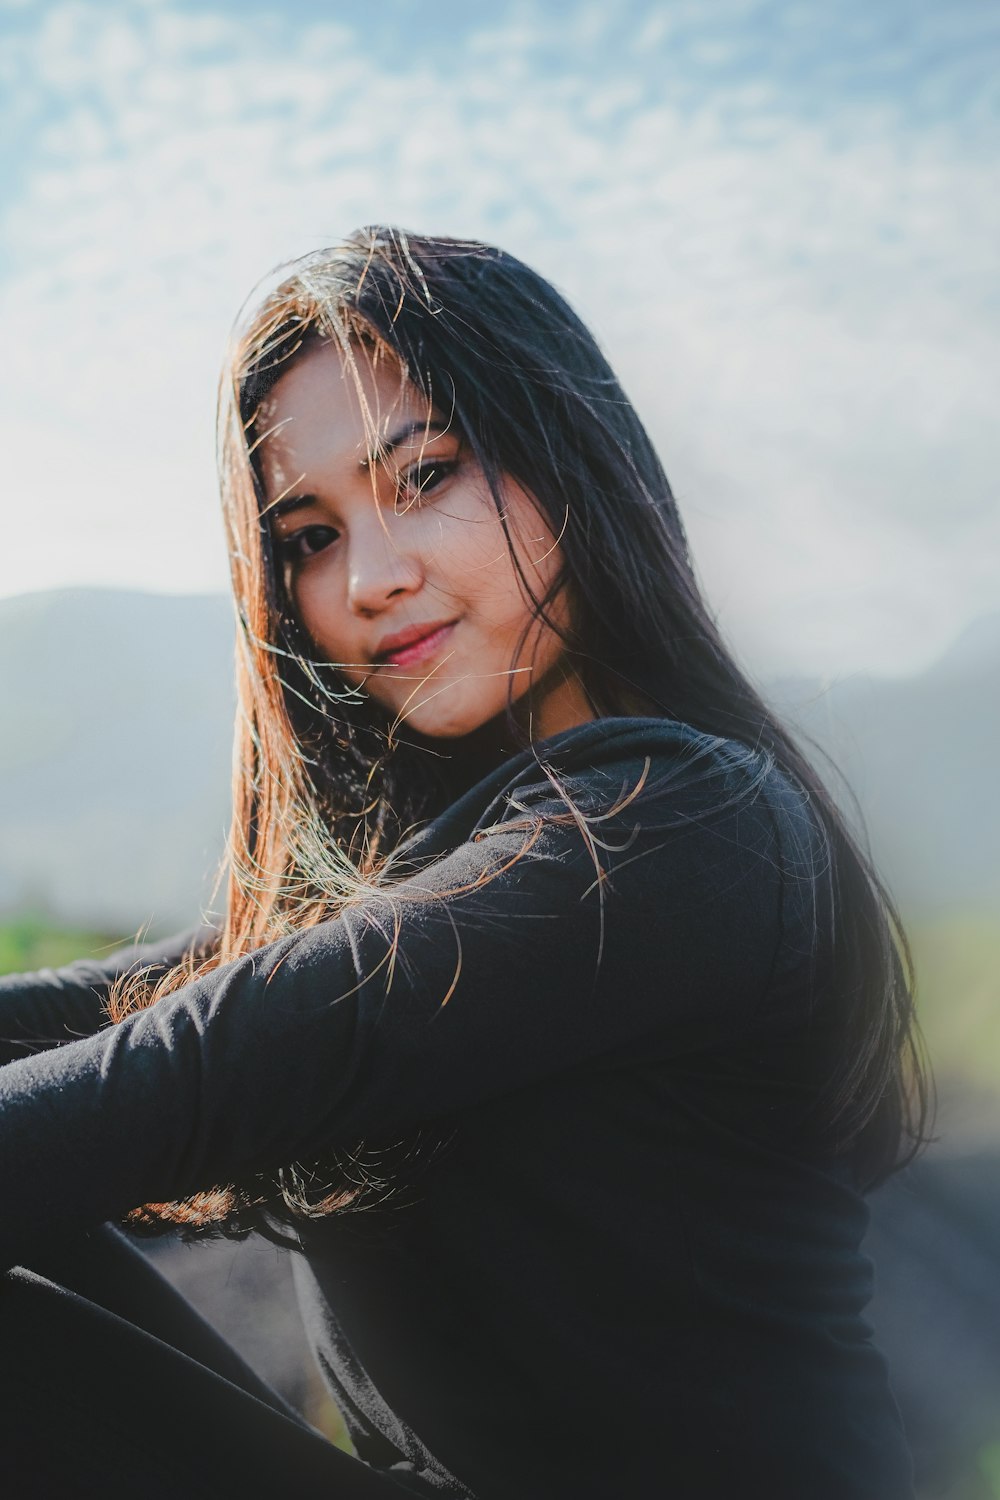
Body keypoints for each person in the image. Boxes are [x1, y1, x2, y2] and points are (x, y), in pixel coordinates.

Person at [0, 227, 927, 1498]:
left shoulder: (679, 831)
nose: (371, 579)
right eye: (309, 538)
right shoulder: (449, 853)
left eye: (423, 474)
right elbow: (127, 1009)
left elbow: (179, 1076)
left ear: (568, 458)